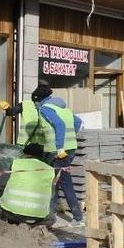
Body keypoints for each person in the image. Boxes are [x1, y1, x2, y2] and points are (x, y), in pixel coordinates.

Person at [32, 85, 84, 227]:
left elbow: (59, 125)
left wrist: (60, 146)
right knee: (53, 179)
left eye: (35, 103)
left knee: (64, 182)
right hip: (70, 149)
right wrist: (68, 141)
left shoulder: (45, 109)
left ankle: (78, 218)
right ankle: (51, 211)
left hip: (59, 151)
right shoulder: (62, 108)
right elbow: (78, 123)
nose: (35, 106)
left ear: (38, 100)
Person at [0, 143, 56, 227]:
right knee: (52, 219)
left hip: (10, 212)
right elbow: (52, 194)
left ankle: (4, 225)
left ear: (25, 153)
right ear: (42, 156)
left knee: (4, 208)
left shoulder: (15, 163)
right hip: (35, 217)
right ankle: (30, 228)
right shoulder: (50, 170)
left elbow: (2, 182)